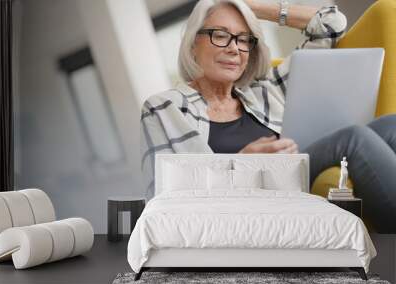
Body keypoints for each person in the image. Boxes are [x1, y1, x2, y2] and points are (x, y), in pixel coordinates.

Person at [140, 0, 396, 233]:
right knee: (354, 138)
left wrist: (250, 6)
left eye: (243, 39)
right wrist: (243, 163)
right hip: (244, 202)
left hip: (293, 177)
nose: (234, 49)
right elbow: (167, 197)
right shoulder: (165, 107)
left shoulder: (265, 90)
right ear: (193, 44)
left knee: (391, 124)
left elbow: (330, 24)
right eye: (220, 35)